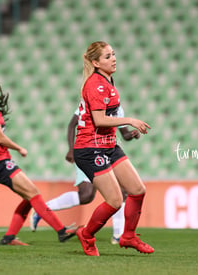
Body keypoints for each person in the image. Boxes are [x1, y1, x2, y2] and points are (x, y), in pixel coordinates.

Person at [0, 75, 78, 246]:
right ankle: (61, 231)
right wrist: (19, 148)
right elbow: (0, 138)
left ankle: (9, 237)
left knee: (29, 197)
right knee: (33, 193)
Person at [73, 41, 154, 256]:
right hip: (90, 148)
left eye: (113, 54)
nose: (113, 59)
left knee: (138, 190)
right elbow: (99, 120)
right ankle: (87, 235)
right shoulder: (96, 85)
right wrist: (130, 121)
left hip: (108, 145)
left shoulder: (107, 81)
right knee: (115, 201)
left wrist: (126, 132)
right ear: (95, 62)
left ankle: (128, 236)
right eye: (107, 56)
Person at [30, 105, 140, 245]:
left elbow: (125, 135)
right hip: (88, 151)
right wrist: (71, 149)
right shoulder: (92, 103)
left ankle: (118, 235)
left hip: (107, 151)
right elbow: (72, 124)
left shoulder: (117, 108)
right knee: (86, 195)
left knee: (122, 191)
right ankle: (43, 209)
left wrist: (132, 134)